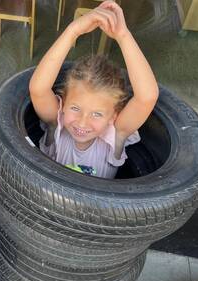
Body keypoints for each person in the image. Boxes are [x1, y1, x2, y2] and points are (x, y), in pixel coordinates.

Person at [29, 0, 159, 178]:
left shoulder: (114, 138)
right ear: (63, 105)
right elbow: (38, 89)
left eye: (97, 114)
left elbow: (147, 97)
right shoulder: (56, 127)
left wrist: (123, 35)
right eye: (75, 108)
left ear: (113, 116)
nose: (82, 123)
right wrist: (73, 31)